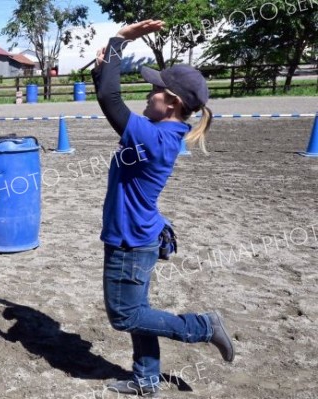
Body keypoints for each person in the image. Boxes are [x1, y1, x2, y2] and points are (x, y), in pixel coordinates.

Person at [91, 20, 235, 396]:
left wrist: (119, 41)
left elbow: (111, 101)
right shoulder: (164, 132)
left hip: (131, 239)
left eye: (155, 89)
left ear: (171, 102)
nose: (148, 93)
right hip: (141, 234)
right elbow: (106, 94)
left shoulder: (154, 137)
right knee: (140, 311)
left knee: (125, 314)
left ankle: (203, 326)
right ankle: (146, 380)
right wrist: (100, 68)